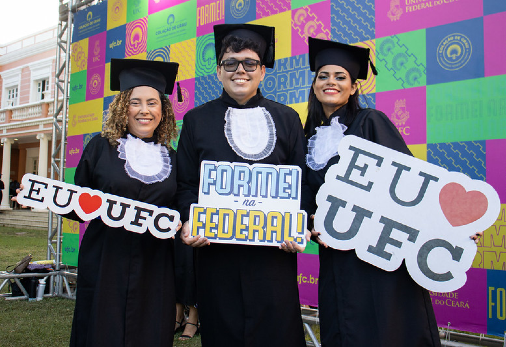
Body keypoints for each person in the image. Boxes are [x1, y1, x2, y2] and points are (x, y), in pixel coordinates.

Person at [303, 37, 443, 347]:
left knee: (386, 328)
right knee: (343, 326)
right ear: (314, 86)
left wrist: (447, 224)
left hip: (380, 254)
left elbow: (411, 182)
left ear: (353, 87)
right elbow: (307, 198)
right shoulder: (308, 138)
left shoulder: (371, 122)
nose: (331, 82)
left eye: (341, 77)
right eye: (323, 76)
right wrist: (311, 224)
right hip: (337, 256)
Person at [175, 24, 307, 347]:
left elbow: (301, 185)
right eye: (231, 63)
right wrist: (190, 219)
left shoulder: (288, 119)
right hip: (217, 261)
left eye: (250, 63)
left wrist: (297, 225)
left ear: (262, 71)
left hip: (273, 262)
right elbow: (186, 185)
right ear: (219, 71)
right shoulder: (195, 121)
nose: (240, 71)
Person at [67, 58, 180, 347]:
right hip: (106, 259)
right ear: (122, 108)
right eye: (135, 102)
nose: (144, 110)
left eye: (153, 103)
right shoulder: (100, 148)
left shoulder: (173, 158)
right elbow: (76, 205)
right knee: (102, 330)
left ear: (163, 110)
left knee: (150, 330)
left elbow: (182, 210)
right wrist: (41, 196)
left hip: (155, 263)